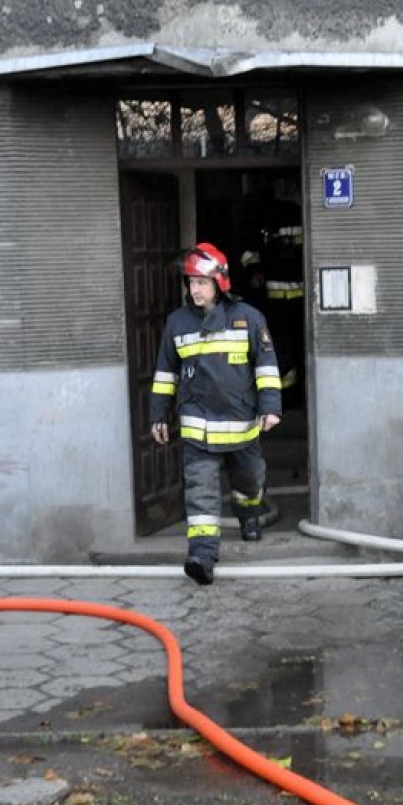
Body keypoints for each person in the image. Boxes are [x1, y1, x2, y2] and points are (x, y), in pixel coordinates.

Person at [150, 242, 282, 586]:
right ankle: (202, 556)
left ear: (219, 283)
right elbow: (166, 374)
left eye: (201, 283)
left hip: (243, 428)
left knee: (250, 482)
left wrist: (271, 409)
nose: (194, 289)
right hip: (199, 429)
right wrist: (159, 415)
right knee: (201, 493)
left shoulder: (249, 319)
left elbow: (266, 368)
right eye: (191, 282)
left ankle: (249, 515)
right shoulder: (177, 323)